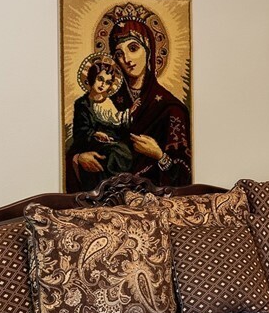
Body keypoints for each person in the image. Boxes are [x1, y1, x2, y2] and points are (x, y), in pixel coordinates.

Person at [107, 18, 191, 186]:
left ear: (148, 49)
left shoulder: (171, 109)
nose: (127, 59)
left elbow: (184, 174)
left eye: (133, 48)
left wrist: (159, 155)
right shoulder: (108, 103)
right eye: (119, 54)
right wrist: (79, 158)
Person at [65, 55, 132, 187]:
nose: (103, 85)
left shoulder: (109, 102)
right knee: (113, 154)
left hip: (110, 141)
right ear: (92, 78)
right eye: (100, 79)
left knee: (122, 151)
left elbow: (115, 122)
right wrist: (95, 133)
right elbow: (80, 130)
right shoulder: (82, 104)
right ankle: (106, 188)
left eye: (107, 82)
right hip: (91, 143)